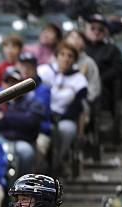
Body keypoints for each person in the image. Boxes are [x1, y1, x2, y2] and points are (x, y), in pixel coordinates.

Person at [38, 42, 88, 174]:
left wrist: (61, 117)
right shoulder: (45, 71)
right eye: (62, 54)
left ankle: (59, 161)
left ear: (74, 59)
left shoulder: (79, 79)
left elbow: (78, 106)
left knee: (67, 129)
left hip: (65, 116)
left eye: (70, 56)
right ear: (56, 56)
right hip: (43, 115)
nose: (66, 58)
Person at [0, 66, 44, 176]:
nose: (11, 86)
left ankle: (21, 183)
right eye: (8, 82)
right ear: (2, 84)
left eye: (14, 82)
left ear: (21, 85)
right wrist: (18, 119)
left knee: (26, 152)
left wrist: (5, 116)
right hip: (0, 139)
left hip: (23, 140)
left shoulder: (32, 100)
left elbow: (31, 122)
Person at [83, 14, 122, 111]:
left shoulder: (112, 49)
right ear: (86, 29)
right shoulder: (80, 47)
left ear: (105, 32)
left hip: (103, 89)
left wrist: (97, 79)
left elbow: (118, 70)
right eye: (93, 28)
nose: (96, 32)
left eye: (100, 29)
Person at [17, 51, 52, 165]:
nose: (25, 70)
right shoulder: (12, 86)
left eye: (29, 67)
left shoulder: (43, 89)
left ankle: (34, 177)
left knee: (40, 147)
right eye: (22, 66)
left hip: (39, 130)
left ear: (35, 68)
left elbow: (34, 117)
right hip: (18, 130)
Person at [64, 29, 100, 103]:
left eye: (79, 38)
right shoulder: (58, 58)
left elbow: (94, 87)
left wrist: (83, 100)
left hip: (80, 102)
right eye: (72, 37)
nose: (75, 40)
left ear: (84, 43)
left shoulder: (89, 62)